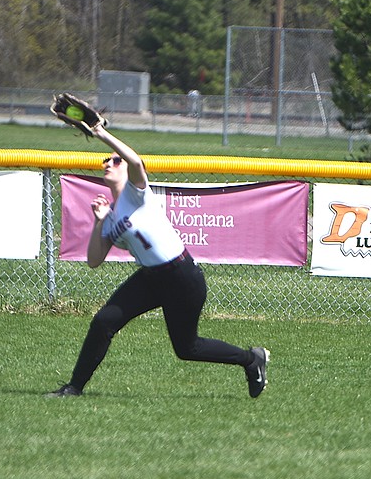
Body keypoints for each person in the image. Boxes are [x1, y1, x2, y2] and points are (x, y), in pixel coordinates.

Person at [46, 123, 268, 399]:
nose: (108, 163)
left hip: (181, 276)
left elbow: (136, 160)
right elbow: (94, 260)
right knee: (103, 322)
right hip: (150, 279)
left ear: (125, 169)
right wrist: (99, 221)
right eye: (106, 160)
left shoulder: (136, 193)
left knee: (187, 349)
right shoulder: (111, 214)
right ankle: (74, 388)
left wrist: (101, 134)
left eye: (115, 161)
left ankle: (251, 359)